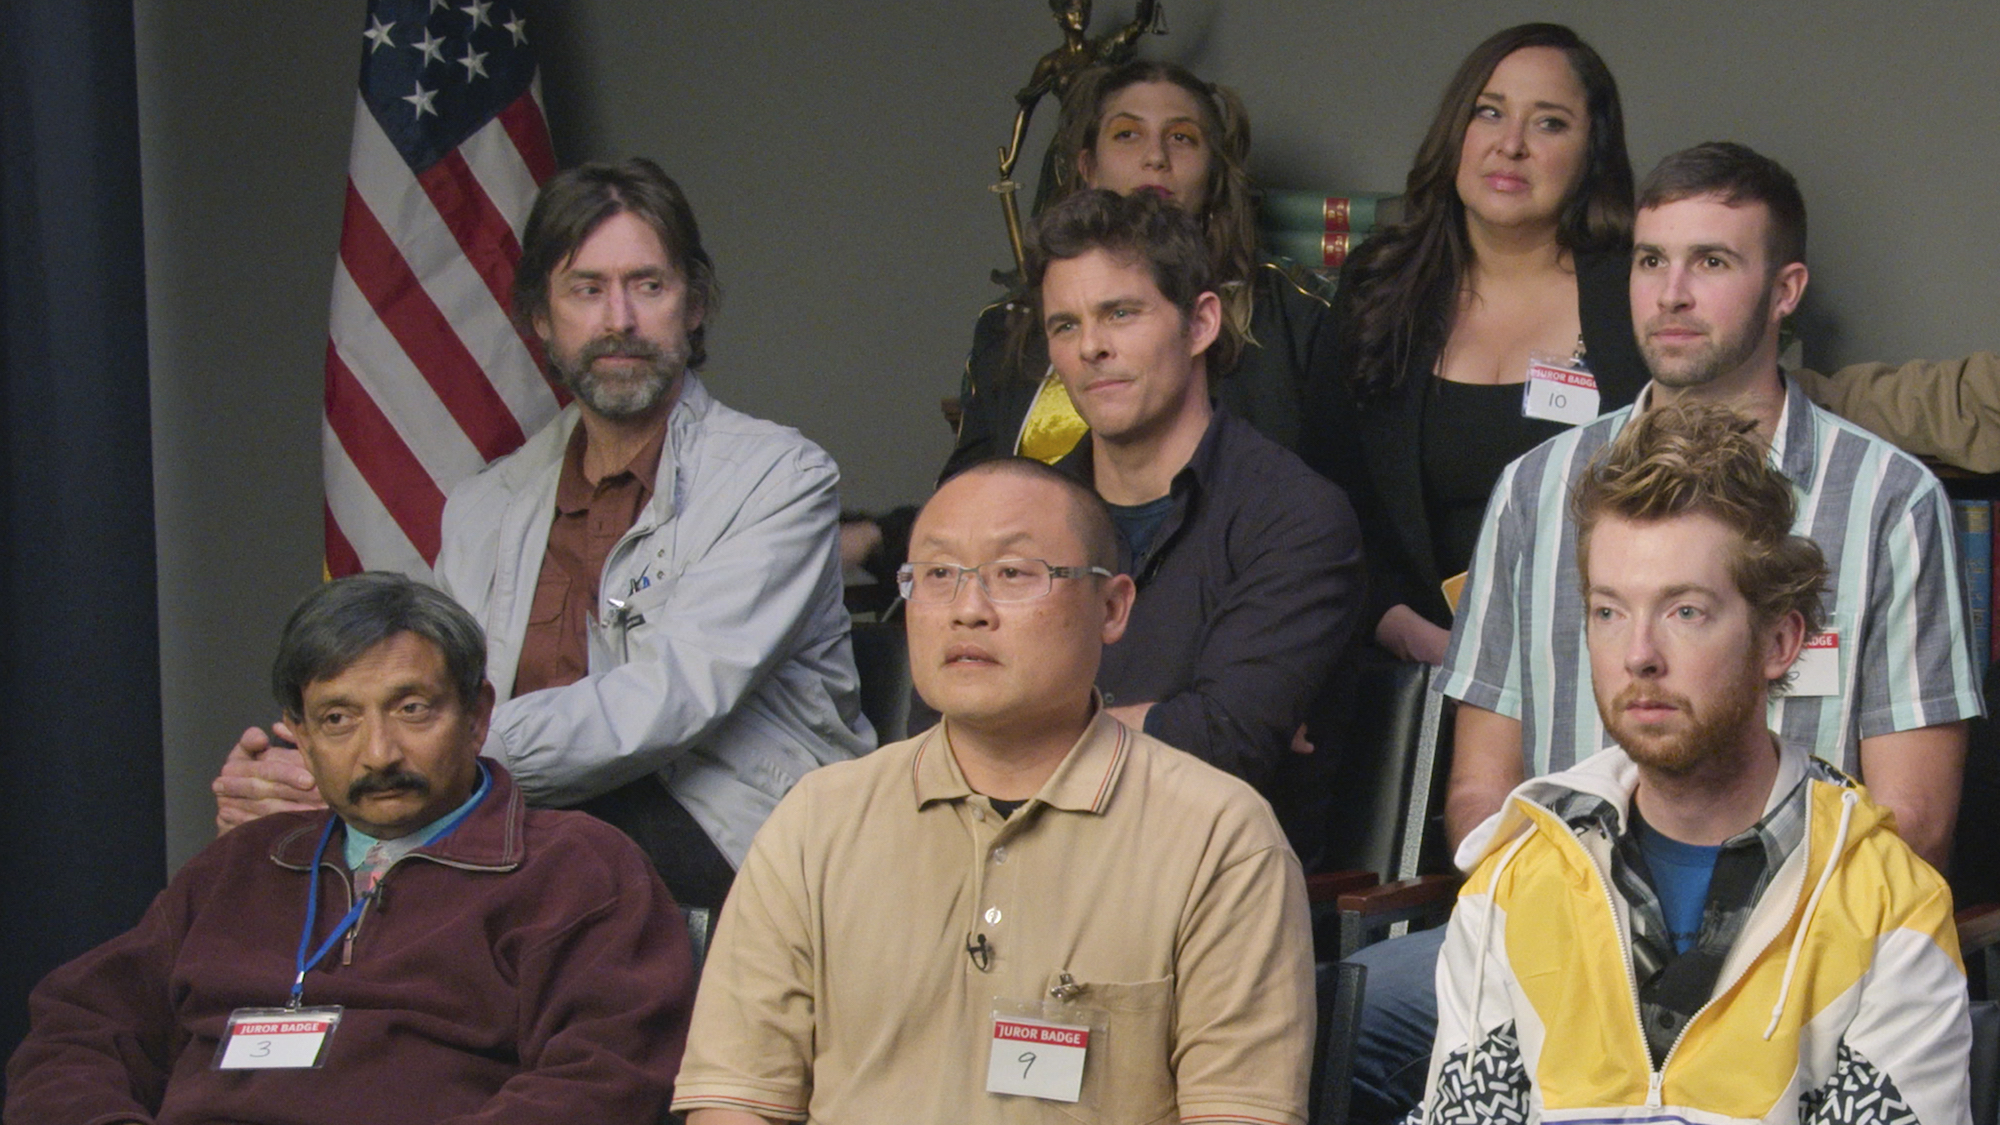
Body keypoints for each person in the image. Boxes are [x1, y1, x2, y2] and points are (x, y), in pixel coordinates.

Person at [1349, 140, 1985, 1125]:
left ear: (1785, 289)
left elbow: (1916, 820)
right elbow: (1479, 785)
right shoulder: (1538, 489)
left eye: (1710, 262)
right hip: (1558, 918)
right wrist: (1564, 933)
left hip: (1800, 936)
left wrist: (1727, 951)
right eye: (1650, 261)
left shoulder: (1886, 500)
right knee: (1334, 1014)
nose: (1670, 292)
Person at [213, 159, 873, 909]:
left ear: (693, 306)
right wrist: (303, 767)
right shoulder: (485, 505)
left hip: (737, 833)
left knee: (472, 867)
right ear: (540, 318)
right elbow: (425, 687)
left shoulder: (780, 476)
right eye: (586, 289)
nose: (618, 319)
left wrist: (404, 761)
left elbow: (669, 699)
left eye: (648, 286)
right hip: (518, 821)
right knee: (277, 845)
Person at [1303, 22, 2000, 669]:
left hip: (1607, 656)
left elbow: (1759, 413)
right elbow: (1325, 497)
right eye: (1489, 111)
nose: (1510, 143)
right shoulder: (1378, 285)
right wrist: (1403, 627)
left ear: (1591, 152)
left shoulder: (1641, 287)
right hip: (1404, 659)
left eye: (1550, 121)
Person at [671, 459, 1314, 1123]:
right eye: (938, 575)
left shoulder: (1219, 837)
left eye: (1013, 574)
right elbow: (734, 1099)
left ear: (1113, 606)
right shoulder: (818, 819)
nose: (967, 610)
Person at [1418, 401, 1971, 1125]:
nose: (1639, 654)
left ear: (1780, 641)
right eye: (1609, 611)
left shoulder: (1887, 905)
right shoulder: (1511, 887)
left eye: (1685, 611)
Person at [6, 573, 691, 1125]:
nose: (379, 751)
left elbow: (602, 1080)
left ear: (477, 714)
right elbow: (78, 1030)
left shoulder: (575, 868)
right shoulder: (236, 867)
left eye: (412, 707)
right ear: (299, 736)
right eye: (338, 718)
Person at [847, 58, 1338, 580]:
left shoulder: (1294, 311)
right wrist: (875, 538)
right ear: (1087, 166)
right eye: (1127, 135)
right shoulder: (1010, 325)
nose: (1155, 158)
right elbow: (971, 502)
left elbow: (1336, 513)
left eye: (1182, 138)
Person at [1034, 188, 1363, 839]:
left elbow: (1221, 741)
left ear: (1202, 323)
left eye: (1120, 313)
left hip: (1206, 896)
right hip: (1018, 869)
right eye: (1064, 324)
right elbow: (932, 734)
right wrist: (1159, 718)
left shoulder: (1297, 515)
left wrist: (1018, 730)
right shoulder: (1022, 515)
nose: (1090, 346)